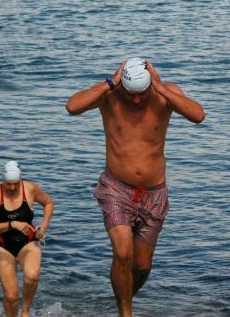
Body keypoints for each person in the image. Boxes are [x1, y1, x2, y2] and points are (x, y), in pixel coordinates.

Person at [65, 57, 205, 317]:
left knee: (141, 266)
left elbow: (198, 115)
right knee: (123, 253)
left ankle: (122, 304)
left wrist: (161, 88)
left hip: (154, 193)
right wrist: (110, 83)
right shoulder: (109, 95)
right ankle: (125, 313)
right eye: (131, 94)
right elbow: (72, 107)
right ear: (122, 85)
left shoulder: (165, 94)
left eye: (143, 93)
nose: (137, 100)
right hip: (116, 188)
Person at [0, 161, 54, 317]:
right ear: (3, 180)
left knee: (32, 276)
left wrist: (43, 226)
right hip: (3, 246)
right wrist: (12, 224)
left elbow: (48, 203)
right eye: (8, 184)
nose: (12, 188)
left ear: (20, 180)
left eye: (16, 184)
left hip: (28, 242)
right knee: (11, 296)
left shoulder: (30, 189)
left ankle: (25, 312)